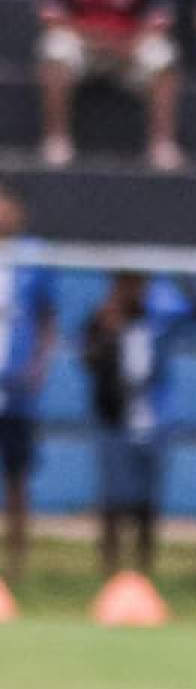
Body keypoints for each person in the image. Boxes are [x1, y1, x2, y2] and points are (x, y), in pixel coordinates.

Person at [82, 271, 196, 581]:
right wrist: (106, 331)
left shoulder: (158, 320)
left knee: (147, 502)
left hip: (154, 420)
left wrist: (186, 278)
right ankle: (109, 571)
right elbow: (89, 360)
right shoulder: (101, 320)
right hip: (115, 420)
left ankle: (142, 572)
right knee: (112, 498)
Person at [36, 0, 185, 172]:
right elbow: (50, 15)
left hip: (128, 48)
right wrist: (90, 38)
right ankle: (56, 140)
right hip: (83, 47)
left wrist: (129, 42)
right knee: (55, 49)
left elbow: (160, 18)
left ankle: (162, 144)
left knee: (162, 56)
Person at [0, 202, 59, 589]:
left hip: (16, 389)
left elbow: (47, 319)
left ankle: (17, 563)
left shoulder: (32, 259)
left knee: (18, 476)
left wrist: (38, 366)